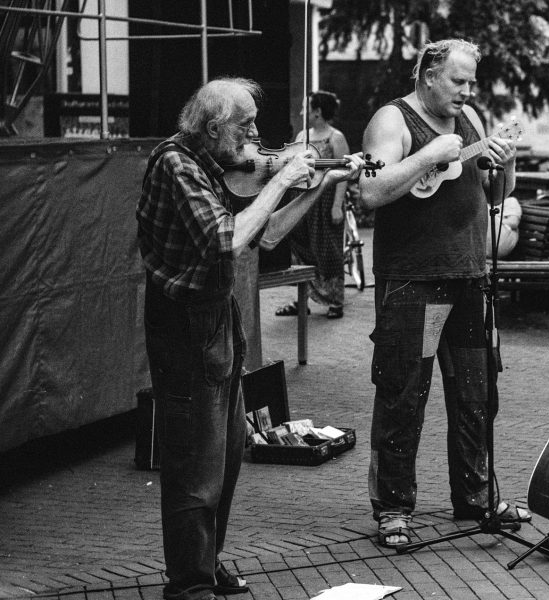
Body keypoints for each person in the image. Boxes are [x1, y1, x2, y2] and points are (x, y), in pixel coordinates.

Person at [136, 78, 364, 600]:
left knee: (229, 451)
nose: (257, 136)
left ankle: (207, 562)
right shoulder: (176, 163)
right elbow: (227, 241)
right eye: (246, 125)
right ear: (214, 126)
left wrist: (322, 184)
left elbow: (269, 233)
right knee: (196, 462)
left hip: (218, 315)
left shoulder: (216, 165)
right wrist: (282, 179)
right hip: (183, 324)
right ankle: (188, 584)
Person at [358, 39, 528, 549]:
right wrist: (429, 153)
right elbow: (370, 191)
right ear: (429, 75)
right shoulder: (392, 121)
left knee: (477, 393)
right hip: (414, 280)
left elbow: (496, 194)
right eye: (458, 81)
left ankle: (475, 497)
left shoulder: (472, 118)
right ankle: (393, 508)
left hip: (469, 276)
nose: (467, 91)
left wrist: (506, 163)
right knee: (403, 393)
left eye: (471, 81)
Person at [276, 91, 351, 319]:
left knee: (328, 251)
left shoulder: (335, 138)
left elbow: (344, 172)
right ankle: (301, 301)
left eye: (305, 108)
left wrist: (337, 205)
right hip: (301, 200)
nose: (301, 112)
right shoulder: (302, 135)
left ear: (317, 112)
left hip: (326, 201)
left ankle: (334, 300)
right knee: (299, 249)